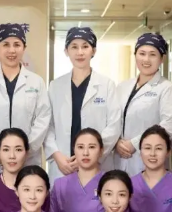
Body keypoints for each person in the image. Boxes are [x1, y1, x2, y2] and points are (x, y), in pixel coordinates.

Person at [0, 23, 51, 186]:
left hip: (27, 159)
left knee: (27, 197)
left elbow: (43, 119)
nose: (12, 50)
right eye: (5, 44)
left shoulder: (36, 82)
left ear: (24, 48)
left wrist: (24, 150)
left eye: (17, 44)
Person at [44, 27, 121, 180]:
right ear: (66, 51)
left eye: (85, 46)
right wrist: (57, 155)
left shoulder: (106, 85)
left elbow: (114, 125)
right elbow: (48, 125)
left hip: (97, 163)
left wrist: (91, 155)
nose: (80, 52)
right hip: (64, 163)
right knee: (63, 194)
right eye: (74, 47)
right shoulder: (55, 86)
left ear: (93, 51)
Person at [115, 33, 172, 175]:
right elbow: (112, 119)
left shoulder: (167, 88)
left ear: (162, 59)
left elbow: (170, 125)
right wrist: (116, 141)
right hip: (119, 159)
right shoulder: (122, 87)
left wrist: (135, 143)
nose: (146, 59)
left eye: (152, 54)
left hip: (149, 161)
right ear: (135, 55)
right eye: (142, 53)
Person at [50, 128, 105, 212]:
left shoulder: (112, 183)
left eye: (91, 147)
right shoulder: (60, 185)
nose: (85, 153)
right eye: (80, 147)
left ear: (101, 151)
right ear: (74, 150)